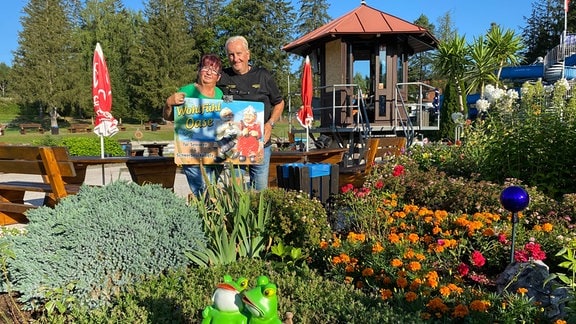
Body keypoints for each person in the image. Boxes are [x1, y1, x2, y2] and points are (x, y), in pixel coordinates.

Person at [217, 36, 285, 190]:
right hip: (234, 145)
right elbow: (207, 94)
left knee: (260, 190)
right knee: (237, 192)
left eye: (239, 53)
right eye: (231, 55)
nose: (236, 59)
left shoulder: (263, 75)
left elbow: (279, 102)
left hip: (261, 143)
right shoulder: (222, 77)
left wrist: (270, 124)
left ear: (248, 54)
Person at [164, 54, 224, 197]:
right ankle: (204, 216)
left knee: (212, 190)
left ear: (219, 77)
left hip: (214, 152)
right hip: (191, 151)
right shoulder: (187, 91)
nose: (209, 72)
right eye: (205, 68)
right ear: (199, 70)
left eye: (214, 70)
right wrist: (168, 103)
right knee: (202, 191)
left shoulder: (220, 94)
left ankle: (208, 216)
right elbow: (169, 117)